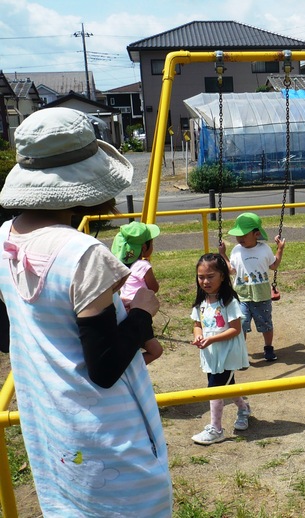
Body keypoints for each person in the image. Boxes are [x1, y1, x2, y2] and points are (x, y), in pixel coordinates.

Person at [0, 107, 172, 515]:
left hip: (52, 426)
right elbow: (105, 366)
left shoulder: (5, 237)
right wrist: (142, 312)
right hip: (107, 434)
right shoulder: (84, 254)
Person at [191, 253, 252, 445]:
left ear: (223, 277)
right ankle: (243, 408)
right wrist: (198, 336)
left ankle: (216, 429)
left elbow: (235, 329)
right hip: (211, 354)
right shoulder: (201, 302)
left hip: (227, 354)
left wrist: (212, 339)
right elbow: (196, 324)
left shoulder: (229, 302)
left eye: (211, 276)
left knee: (215, 389)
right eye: (201, 277)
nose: (205, 281)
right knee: (227, 385)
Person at [219, 212, 285, 362]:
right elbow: (231, 270)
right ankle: (241, 351)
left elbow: (273, 266)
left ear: (256, 234)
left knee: (266, 323)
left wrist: (280, 249)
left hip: (261, 295)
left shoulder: (264, 249)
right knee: (241, 324)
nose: (240, 239)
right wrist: (223, 255)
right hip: (241, 295)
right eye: (238, 236)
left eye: (243, 235)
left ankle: (268, 347)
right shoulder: (236, 250)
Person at [111, 221, 163, 364]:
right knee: (156, 351)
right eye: (151, 243)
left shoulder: (119, 266)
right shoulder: (143, 265)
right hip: (138, 313)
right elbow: (154, 288)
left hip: (122, 310)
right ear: (145, 247)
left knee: (130, 347)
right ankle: (127, 367)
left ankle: (125, 365)